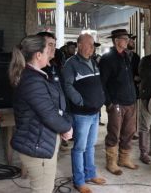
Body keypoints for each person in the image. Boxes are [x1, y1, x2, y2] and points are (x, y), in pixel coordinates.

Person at [9, 35, 73, 193]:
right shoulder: (32, 80)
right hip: (38, 145)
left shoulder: (34, 75)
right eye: (47, 50)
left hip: (41, 141)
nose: (50, 53)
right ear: (38, 55)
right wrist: (66, 128)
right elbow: (48, 113)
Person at [62, 33, 106, 193]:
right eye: (89, 44)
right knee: (79, 147)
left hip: (94, 113)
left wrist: (100, 99)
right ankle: (79, 181)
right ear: (79, 45)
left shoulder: (93, 62)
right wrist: (80, 101)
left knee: (90, 146)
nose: (92, 48)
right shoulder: (71, 64)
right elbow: (67, 86)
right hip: (81, 114)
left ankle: (91, 174)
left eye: (93, 45)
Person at [99, 29, 138, 175]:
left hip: (130, 101)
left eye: (128, 38)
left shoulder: (126, 56)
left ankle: (124, 159)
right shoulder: (107, 59)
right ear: (116, 41)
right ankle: (111, 162)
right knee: (114, 133)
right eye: (125, 38)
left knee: (129, 132)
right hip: (116, 103)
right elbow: (102, 83)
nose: (128, 41)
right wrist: (109, 102)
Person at [126, 35, 141, 140]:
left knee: (132, 112)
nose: (133, 42)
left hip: (133, 88)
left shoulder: (136, 56)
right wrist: (132, 77)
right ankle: (121, 134)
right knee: (121, 114)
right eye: (131, 41)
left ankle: (132, 132)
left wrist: (140, 77)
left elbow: (138, 71)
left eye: (134, 41)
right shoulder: (118, 55)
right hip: (121, 88)